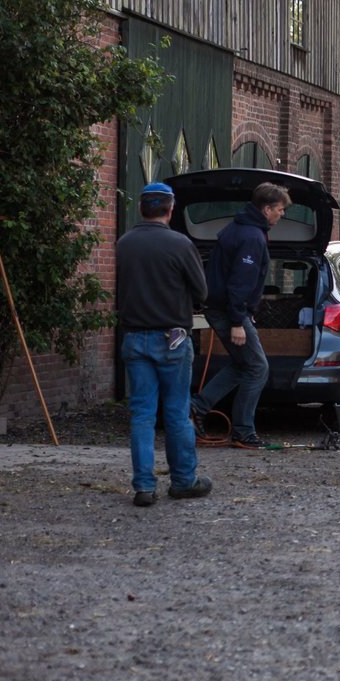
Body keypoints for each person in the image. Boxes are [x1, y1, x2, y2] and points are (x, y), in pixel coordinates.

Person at [116, 182, 212, 507]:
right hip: (173, 339)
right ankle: (184, 481)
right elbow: (201, 292)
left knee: (142, 414)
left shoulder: (124, 244)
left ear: (141, 208)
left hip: (133, 337)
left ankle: (144, 487)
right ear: (170, 210)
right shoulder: (180, 244)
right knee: (176, 411)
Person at [192, 181, 291, 449]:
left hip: (225, 308)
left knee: (243, 365)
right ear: (266, 208)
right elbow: (240, 282)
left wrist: (247, 312)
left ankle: (197, 409)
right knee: (258, 368)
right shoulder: (251, 236)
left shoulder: (242, 229)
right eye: (280, 209)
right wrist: (238, 320)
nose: (282, 214)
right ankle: (243, 431)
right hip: (227, 311)